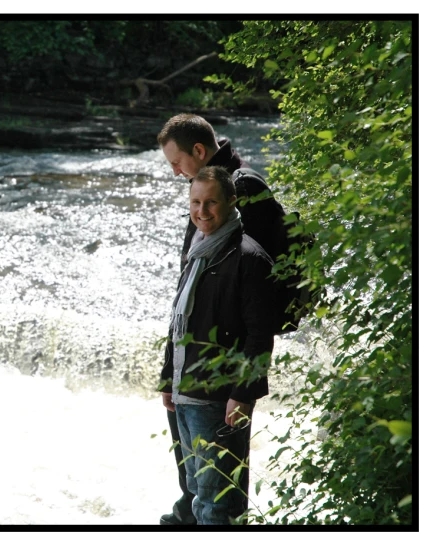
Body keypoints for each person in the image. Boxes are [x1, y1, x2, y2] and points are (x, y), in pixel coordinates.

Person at [156, 113, 283, 525]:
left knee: (220, 494)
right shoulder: (206, 198)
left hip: (220, 374)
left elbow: (254, 308)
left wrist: (242, 389)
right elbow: (185, 297)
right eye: (196, 203)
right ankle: (188, 514)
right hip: (189, 366)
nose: (175, 172)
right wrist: (169, 374)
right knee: (197, 480)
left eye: (177, 162)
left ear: (197, 150)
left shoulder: (243, 190)